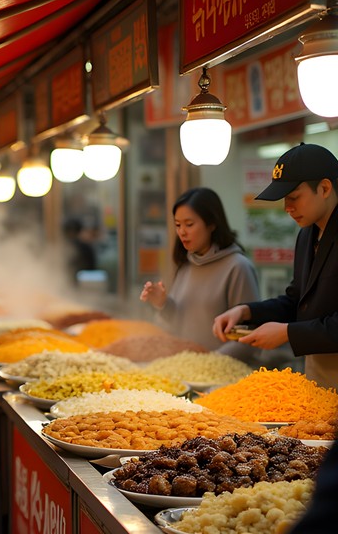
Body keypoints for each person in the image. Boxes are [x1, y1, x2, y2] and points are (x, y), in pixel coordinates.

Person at [212, 142, 338, 388]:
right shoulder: (307, 234)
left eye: (294, 197)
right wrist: (247, 312)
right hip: (319, 374)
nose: (287, 208)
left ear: (324, 188)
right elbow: (297, 301)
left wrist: (288, 333)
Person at [140, 187, 259, 359]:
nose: (182, 232)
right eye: (178, 225)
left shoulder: (237, 267)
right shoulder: (185, 264)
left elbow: (249, 336)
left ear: (212, 224)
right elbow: (180, 324)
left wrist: (207, 364)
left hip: (225, 377)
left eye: (189, 224)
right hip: (186, 371)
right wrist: (163, 304)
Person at [62, 216, 97, 285]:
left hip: (67, 285)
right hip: (83, 285)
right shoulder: (86, 248)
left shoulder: (61, 248)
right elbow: (92, 269)